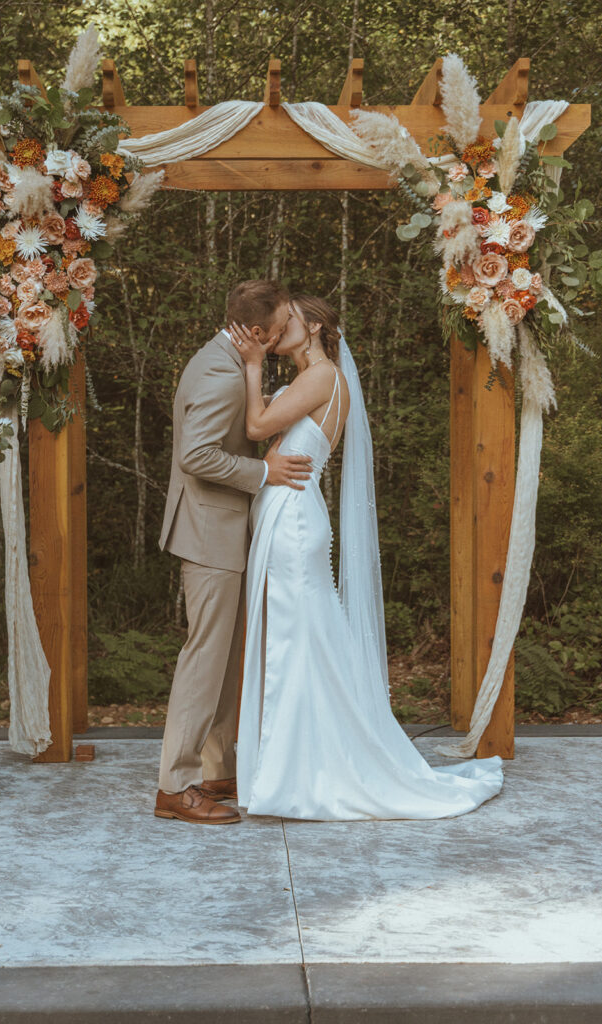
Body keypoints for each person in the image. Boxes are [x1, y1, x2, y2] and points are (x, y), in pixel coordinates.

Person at [227, 295, 505, 821]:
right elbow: (276, 441)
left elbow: (258, 427)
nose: (275, 329)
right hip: (287, 511)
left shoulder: (323, 376)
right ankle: (295, 764)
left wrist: (253, 366)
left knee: (298, 638)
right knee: (305, 637)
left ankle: (302, 771)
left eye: (285, 321)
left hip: (292, 518)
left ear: (311, 328)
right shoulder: (316, 378)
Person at [155, 280, 313, 825]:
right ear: (257, 332)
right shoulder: (221, 373)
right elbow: (196, 455)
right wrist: (263, 471)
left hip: (224, 531)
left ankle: (216, 769)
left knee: (226, 658)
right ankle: (176, 785)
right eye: (284, 320)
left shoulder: (225, 357)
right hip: (209, 532)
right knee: (204, 658)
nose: (289, 326)